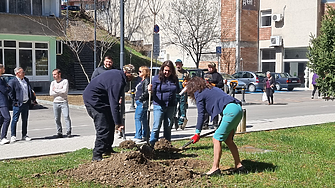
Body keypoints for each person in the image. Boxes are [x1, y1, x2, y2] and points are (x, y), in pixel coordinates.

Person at [185, 76, 243, 175]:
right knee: (228, 140)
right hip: (237, 109)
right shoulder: (211, 88)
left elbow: (201, 114)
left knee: (216, 138)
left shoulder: (199, 93)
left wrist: (197, 133)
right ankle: (239, 165)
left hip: (230, 111)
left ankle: (215, 168)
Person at [83, 64, 137, 161]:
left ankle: (107, 149)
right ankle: (97, 155)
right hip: (95, 102)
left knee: (110, 124)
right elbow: (114, 104)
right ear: (126, 73)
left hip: (102, 100)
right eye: (131, 75)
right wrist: (118, 123)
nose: (132, 78)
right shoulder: (117, 80)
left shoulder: (118, 76)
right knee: (103, 127)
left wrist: (115, 122)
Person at [149, 60, 180, 147]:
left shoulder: (174, 79)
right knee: (156, 126)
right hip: (159, 105)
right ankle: (152, 145)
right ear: (162, 69)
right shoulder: (156, 79)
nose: (167, 72)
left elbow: (177, 90)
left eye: (169, 71)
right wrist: (150, 90)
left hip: (171, 105)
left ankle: (167, 145)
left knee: (168, 127)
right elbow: (152, 91)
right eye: (165, 70)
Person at [8, 67, 36, 143]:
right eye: (22, 72)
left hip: (26, 103)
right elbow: (10, 93)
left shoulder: (26, 80)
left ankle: (24, 135)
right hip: (17, 104)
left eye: (23, 72)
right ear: (17, 73)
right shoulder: (13, 81)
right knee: (15, 120)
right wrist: (15, 101)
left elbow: (29, 89)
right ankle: (13, 135)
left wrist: (32, 98)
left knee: (25, 120)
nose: (24, 73)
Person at [49, 69, 72, 138]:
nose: (54, 76)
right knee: (57, 118)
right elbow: (51, 93)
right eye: (53, 74)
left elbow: (65, 91)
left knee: (66, 116)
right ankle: (59, 132)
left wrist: (55, 90)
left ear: (59, 74)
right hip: (55, 102)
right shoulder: (53, 83)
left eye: (55, 74)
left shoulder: (65, 81)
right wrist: (60, 91)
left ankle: (68, 131)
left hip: (64, 102)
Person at [204, 62, 224, 129]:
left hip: (215, 94)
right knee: (206, 109)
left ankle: (215, 123)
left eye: (211, 67)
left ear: (214, 68)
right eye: (209, 67)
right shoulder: (206, 75)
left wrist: (214, 85)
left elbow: (221, 84)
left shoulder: (218, 75)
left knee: (214, 109)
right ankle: (205, 124)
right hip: (207, 93)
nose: (210, 68)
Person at [133, 66, 150, 143]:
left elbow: (146, 92)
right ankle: (145, 134)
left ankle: (138, 136)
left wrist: (140, 98)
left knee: (138, 118)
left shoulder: (146, 81)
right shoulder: (142, 81)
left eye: (140, 71)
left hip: (142, 102)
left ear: (144, 72)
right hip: (141, 102)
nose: (138, 73)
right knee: (143, 119)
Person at [174, 59, 189, 130]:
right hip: (175, 92)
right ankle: (173, 122)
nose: (178, 65)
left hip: (183, 93)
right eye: (176, 64)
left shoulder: (186, 73)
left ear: (182, 64)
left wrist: (187, 83)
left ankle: (181, 123)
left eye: (179, 64)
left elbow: (190, 82)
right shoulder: (173, 72)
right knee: (173, 108)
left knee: (182, 108)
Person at [0, 64, 11, 145]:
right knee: (7, 118)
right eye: (3, 68)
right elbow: (4, 90)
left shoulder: (2, 78)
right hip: (2, 102)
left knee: (1, 120)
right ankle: (3, 137)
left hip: (3, 101)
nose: (4, 69)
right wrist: (8, 88)